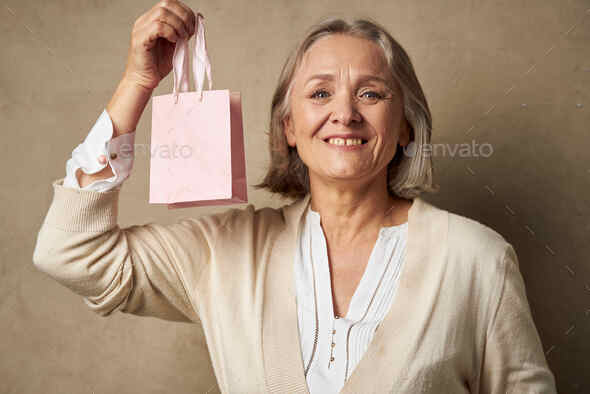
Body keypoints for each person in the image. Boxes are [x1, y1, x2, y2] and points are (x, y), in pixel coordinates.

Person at [32, 1, 557, 393]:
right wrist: (138, 81)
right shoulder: (226, 251)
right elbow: (70, 252)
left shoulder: (478, 259)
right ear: (289, 127)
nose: (345, 114)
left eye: (371, 93)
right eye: (320, 93)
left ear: (405, 127)